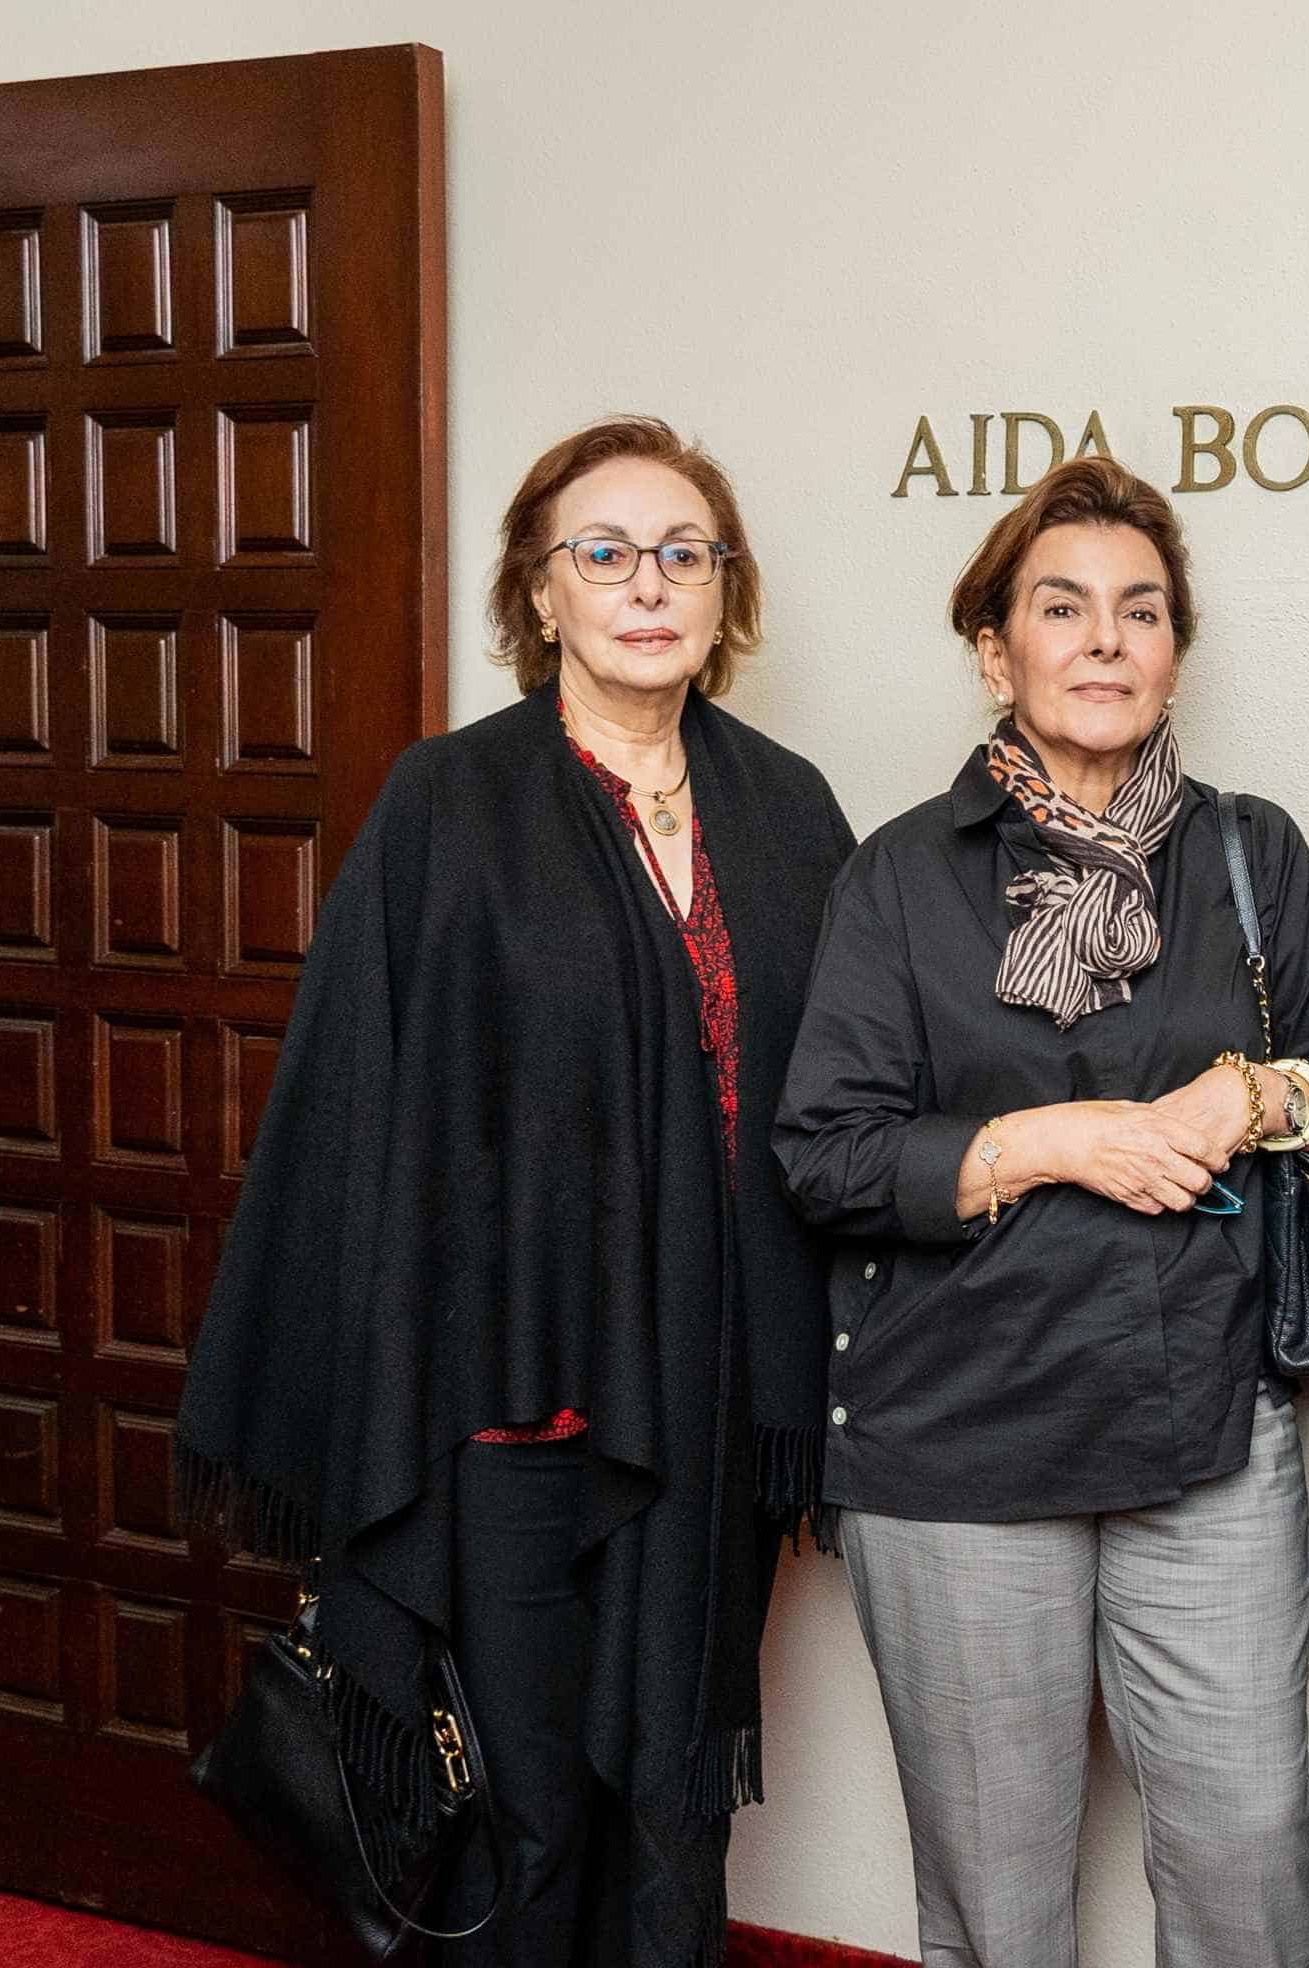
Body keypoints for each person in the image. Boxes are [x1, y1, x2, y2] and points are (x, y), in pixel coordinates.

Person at [177, 416, 856, 1965]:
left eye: (686, 553)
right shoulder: (451, 803)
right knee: (526, 1806)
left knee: (678, 1790)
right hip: (513, 1401)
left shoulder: (789, 809)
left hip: (712, 1395)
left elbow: (845, 1093)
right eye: (603, 552)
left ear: (724, 594)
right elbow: (365, 1102)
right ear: (539, 595)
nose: (648, 584)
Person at [774, 455, 1309, 1968]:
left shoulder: (1254, 856)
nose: (1107, 639)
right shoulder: (901, 878)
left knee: (1249, 1857)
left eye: (1142, 610)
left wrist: (1242, 1098)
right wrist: (1049, 1141)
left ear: (1177, 649)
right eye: (1064, 607)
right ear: (997, 649)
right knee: (999, 1899)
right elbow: (828, 1156)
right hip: (959, 1448)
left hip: (1203, 1442)